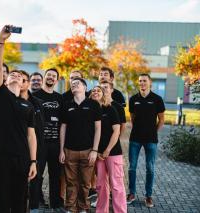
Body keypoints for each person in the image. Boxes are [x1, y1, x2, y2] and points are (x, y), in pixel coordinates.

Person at [0, 25, 37, 213]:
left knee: (20, 199)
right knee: (3, 198)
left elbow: (31, 136)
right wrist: (1, 42)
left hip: (22, 158)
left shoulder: (28, 105)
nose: (16, 76)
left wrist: (33, 161)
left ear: (23, 82)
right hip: (2, 155)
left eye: (19, 75)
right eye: (12, 74)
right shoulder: (0, 95)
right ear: (6, 79)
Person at [60, 78, 101, 213]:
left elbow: (98, 129)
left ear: (84, 87)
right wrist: (61, 150)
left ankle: (83, 207)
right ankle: (70, 208)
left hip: (88, 151)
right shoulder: (66, 105)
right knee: (71, 183)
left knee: (85, 183)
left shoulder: (93, 105)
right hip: (69, 150)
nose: (74, 86)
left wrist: (95, 150)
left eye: (77, 84)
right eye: (72, 85)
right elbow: (63, 128)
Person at [127, 73, 165, 208]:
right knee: (132, 167)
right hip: (135, 139)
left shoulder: (157, 99)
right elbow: (133, 118)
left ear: (150, 83)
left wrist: (154, 131)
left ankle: (148, 196)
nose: (142, 83)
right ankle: (131, 193)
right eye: (140, 81)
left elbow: (161, 119)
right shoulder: (133, 99)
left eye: (144, 81)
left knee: (150, 168)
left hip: (151, 140)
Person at [91, 85, 127, 213]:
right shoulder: (91, 111)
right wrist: (96, 151)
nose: (96, 92)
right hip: (98, 154)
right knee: (101, 186)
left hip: (113, 152)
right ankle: (101, 211)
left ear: (103, 93)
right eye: (93, 91)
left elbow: (116, 131)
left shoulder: (110, 109)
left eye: (98, 90)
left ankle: (120, 211)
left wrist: (107, 150)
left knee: (116, 185)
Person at [33, 68, 65, 212]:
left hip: (55, 143)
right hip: (40, 143)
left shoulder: (60, 98)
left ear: (57, 80)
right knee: (37, 175)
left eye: (54, 76)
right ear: (44, 77)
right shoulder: (35, 96)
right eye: (49, 75)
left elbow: (64, 122)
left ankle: (55, 204)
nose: (51, 77)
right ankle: (36, 203)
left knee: (55, 175)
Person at [20, 70, 45, 213]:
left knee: (36, 179)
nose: (21, 83)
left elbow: (41, 126)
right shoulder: (13, 102)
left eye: (24, 80)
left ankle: (34, 208)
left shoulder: (37, 103)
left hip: (36, 147)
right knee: (19, 180)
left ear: (27, 83)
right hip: (18, 147)